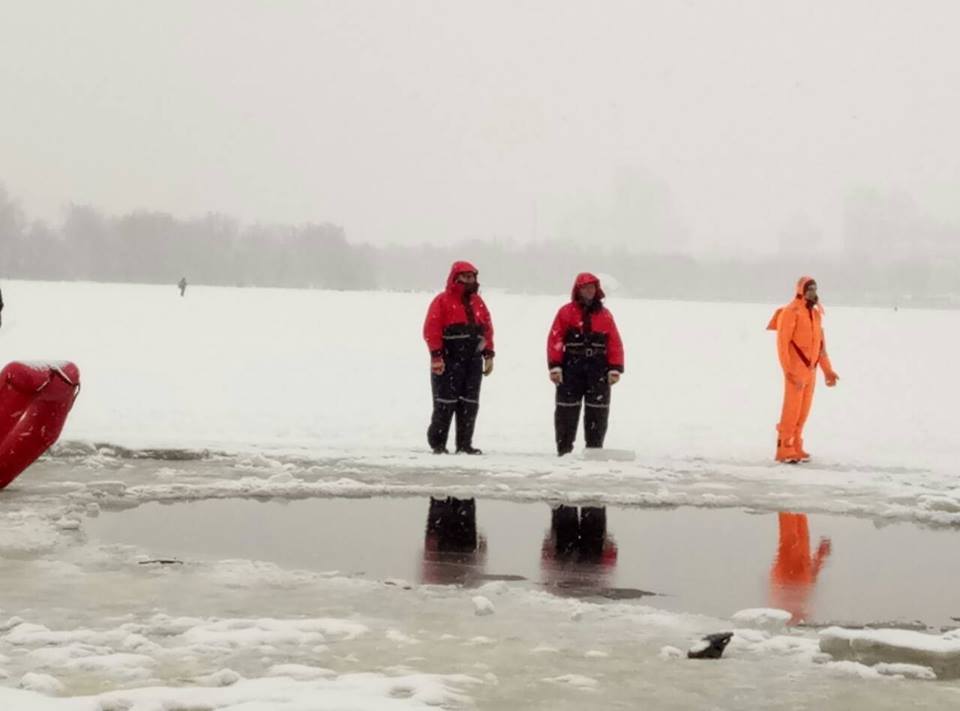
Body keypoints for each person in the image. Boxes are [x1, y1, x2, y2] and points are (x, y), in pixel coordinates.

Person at [547, 273, 624, 456]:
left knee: (598, 411)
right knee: (567, 409)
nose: (589, 291)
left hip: (598, 367)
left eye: (592, 287)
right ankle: (564, 450)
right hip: (571, 366)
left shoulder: (605, 315)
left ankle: (594, 449)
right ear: (578, 290)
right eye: (586, 287)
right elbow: (555, 339)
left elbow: (614, 342)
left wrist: (615, 367)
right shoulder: (565, 312)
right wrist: (555, 366)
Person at [422, 261, 494, 454]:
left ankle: (464, 444)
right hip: (448, 359)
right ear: (457, 278)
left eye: (473, 277)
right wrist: (436, 355)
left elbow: (487, 329)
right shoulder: (442, 301)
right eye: (467, 277)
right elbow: (432, 329)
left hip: (473, 361)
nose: (471, 281)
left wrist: (489, 354)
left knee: (469, 404)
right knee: (445, 402)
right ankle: (438, 444)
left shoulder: (478, 302)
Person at [767, 276, 839, 463]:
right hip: (796, 371)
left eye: (814, 289)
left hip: (811, 371)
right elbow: (782, 345)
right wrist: (789, 371)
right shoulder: (791, 312)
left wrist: (828, 371)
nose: (812, 293)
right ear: (801, 290)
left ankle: (796, 445)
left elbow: (821, 347)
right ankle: (784, 448)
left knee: (803, 411)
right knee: (791, 410)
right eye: (809, 289)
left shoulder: (815, 315)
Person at [769, 512, 831, 625]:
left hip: (786, 574)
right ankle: (793, 507)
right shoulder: (804, 609)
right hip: (802, 568)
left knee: (790, 538)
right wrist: (820, 556)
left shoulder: (783, 613)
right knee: (799, 530)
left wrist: (820, 557)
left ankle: (786, 506)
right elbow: (811, 582)